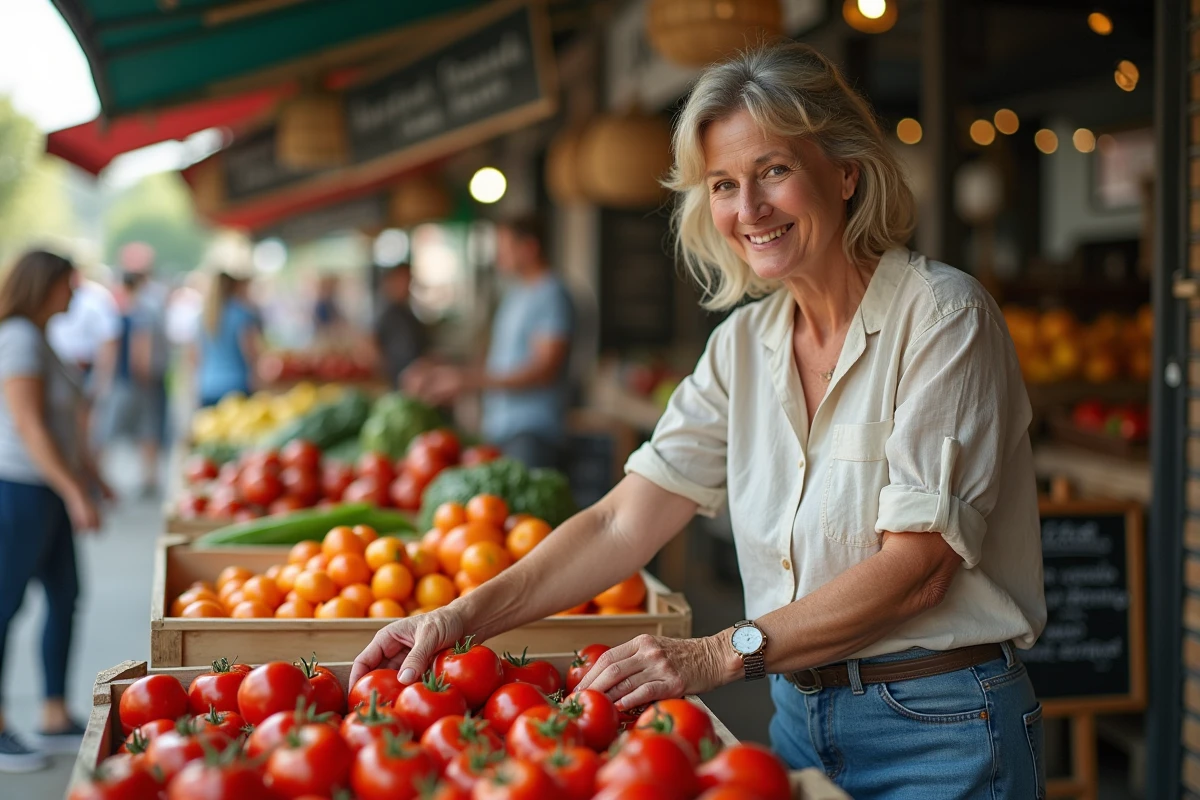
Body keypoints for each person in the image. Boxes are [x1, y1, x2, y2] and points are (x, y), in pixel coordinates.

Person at [356, 43, 1046, 799]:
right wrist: (460, 616)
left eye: (774, 171)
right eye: (724, 184)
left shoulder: (945, 319)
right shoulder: (742, 347)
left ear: (846, 173)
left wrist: (717, 655)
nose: (748, 210)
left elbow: (917, 570)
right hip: (794, 719)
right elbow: (623, 523)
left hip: (938, 729)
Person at [0, 251, 112, 773]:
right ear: (44, 285)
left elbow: (66, 423)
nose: (75, 292)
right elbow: (30, 427)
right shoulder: (19, 337)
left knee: (65, 596)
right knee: (5, 606)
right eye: (68, 283)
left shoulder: (40, 336)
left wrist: (90, 478)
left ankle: (52, 714)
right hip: (20, 490)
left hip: (46, 489)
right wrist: (73, 490)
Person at [405, 216, 573, 469]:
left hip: (531, 431)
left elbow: (544, 369)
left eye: (504, 249)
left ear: (529, 247)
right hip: (501, 427)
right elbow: (499, 359)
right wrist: (444, 368)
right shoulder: (516, 293)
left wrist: (469, 381)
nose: (498, 257)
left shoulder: (551, 295)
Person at [93, 266, 171, 497]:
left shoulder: (135, 309)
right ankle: (149, 478)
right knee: (146, 428)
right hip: (141, 381)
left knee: (110, 429)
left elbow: (139, 346)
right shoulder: (147, 307)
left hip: (131, 381)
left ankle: (99, 476)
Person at [194, 270, 261, 408]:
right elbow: (251, 353)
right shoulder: (242, 314)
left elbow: (195, 357)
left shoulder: (204, 317)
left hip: (208, 386)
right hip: (237, 387)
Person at [373, 262, 428, 388]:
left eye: (409, 280)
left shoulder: (406, 311)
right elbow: (372, 345)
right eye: (404, 280)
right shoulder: (384, 311)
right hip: (398, 380)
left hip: (415, 378)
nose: (408, 285)